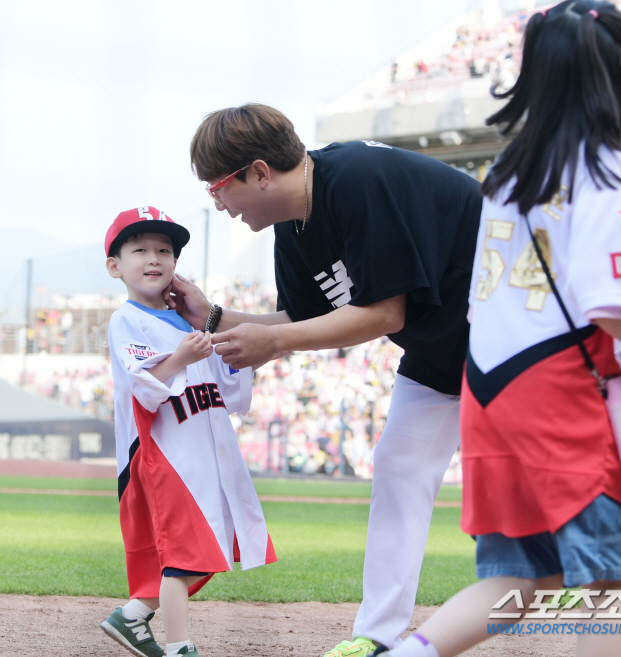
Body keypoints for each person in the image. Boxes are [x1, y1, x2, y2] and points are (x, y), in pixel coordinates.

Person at [373, 3, 621, 657]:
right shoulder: (608, 164)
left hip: (488, 392)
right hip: (560, 393)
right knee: (607, 584)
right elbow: (611, 305)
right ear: (618, 68)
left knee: (522, 577)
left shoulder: (509, 170)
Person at [167, 103, 483, 657]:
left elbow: (386, 314)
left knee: (567, 487)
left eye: (218, 186)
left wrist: (277, 343)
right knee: (398, 467)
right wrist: (212, 317)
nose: (216, 201)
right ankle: (378, 636)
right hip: (440, 355)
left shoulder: (359, 179)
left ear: (261, 173)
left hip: (510, 346)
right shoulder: (292, 228)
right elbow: (298, 321)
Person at [101, 207, 276, 657]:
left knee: (213, 547)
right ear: (115, 266)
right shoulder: (127, 319)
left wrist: (225, 337)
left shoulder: (190, 323)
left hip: (207, 452)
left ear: (176, 265)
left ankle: (134, 615)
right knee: (183, 558)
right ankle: (180, 647)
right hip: (165, 455)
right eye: (139, 249)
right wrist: (182, 354)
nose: (154, 258)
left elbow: (234, 391)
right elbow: (145, 387)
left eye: (164, 250)